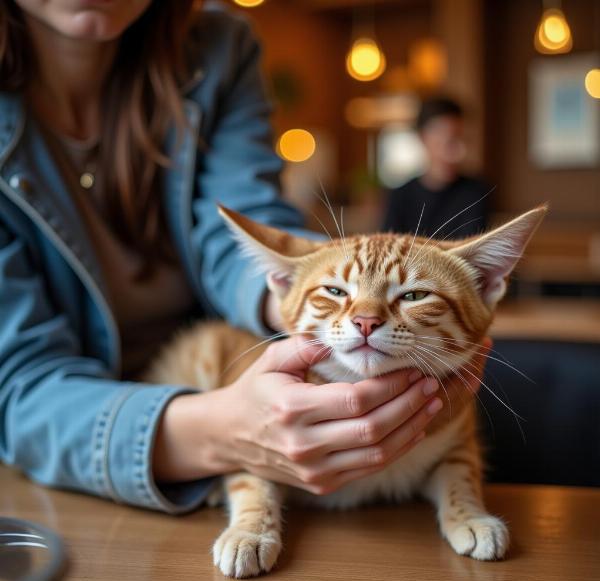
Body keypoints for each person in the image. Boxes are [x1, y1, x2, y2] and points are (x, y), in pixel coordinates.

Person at [0, 1, 487, 514]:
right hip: (52, 475)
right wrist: (222, 433)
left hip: (232, 392)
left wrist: (313, 309)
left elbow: (242, 231)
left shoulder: (218, 44)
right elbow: (15, 394)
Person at [382, 97, 491, 239]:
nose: (453, 149)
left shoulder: (475, 192)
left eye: (458, 138)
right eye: (443, 139)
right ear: (423, 138)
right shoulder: (400, 196)